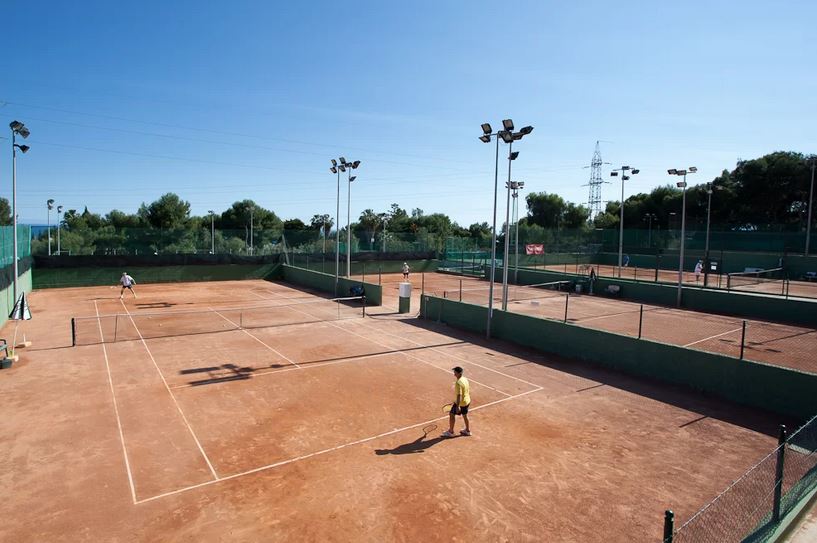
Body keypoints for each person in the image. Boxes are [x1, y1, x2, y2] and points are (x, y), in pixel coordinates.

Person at [442, 366, 471, 437]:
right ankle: (467, 431)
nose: (454, 374)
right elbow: (465, 391)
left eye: (455, 372)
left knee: (451, 414)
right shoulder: (465, 379)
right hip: (467, 401)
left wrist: (457, 406)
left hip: (461, 402)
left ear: (458, 373)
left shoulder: (458, 383)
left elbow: (459, 395)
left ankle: (451, 432)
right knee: (465, 415)